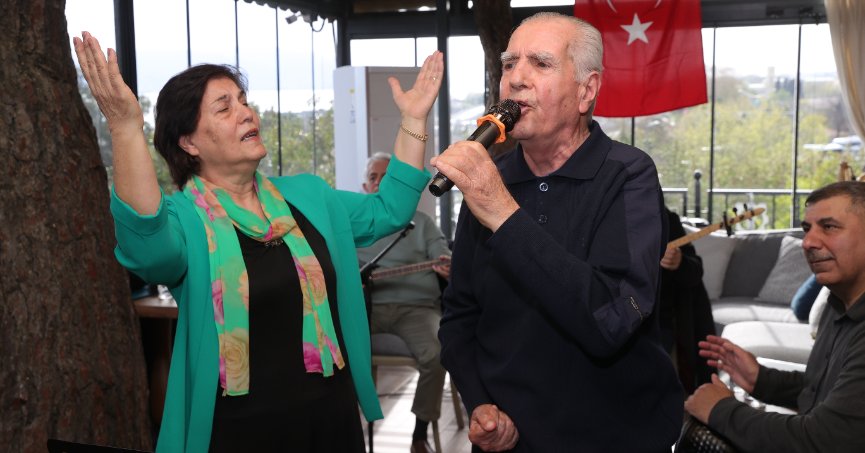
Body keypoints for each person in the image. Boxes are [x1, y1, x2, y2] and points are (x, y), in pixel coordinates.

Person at [73, 31, 443, 452]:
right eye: (224, 107)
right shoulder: (185, 220)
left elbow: (391, 209)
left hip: (331, 419)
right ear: (189, 142)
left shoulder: (309, 197)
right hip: (238, 430)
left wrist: (414, 120)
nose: (246, 113)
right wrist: (125, 128)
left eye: (244, 101)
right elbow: (148, 249)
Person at [433, 12, 683, 452]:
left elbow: (611, 322)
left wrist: (503, 213)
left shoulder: (628, 175)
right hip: (510, 439)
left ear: (587, 91)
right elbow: (459, 315)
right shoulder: (494, 181)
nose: (516, 79)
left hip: (613, 437)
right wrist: (479, 402)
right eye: (509, 64)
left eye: (541, 63)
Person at [684, 181, 865, 453]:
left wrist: (721, 409)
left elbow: (823, 439)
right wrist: (761, 379)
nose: (808, 242)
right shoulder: (837, 303)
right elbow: (826, 389)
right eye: (807, 229)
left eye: (829, 227)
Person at [356, 152, 451, 453]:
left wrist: (447, 264)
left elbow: (442, 253)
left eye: (385, 177)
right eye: (373, 177)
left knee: (436, 354)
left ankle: (419, 436)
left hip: (417, 309)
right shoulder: (354, 226)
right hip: (368, 310)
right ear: (365, 186)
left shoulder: (421, 223)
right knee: (334, 352)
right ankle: (345, 431)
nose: (378, 183)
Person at [659, 206, 716, 393]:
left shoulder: (667, 218)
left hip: (662, 323)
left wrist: (679, 262)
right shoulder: (608, 218)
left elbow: (695, 270)